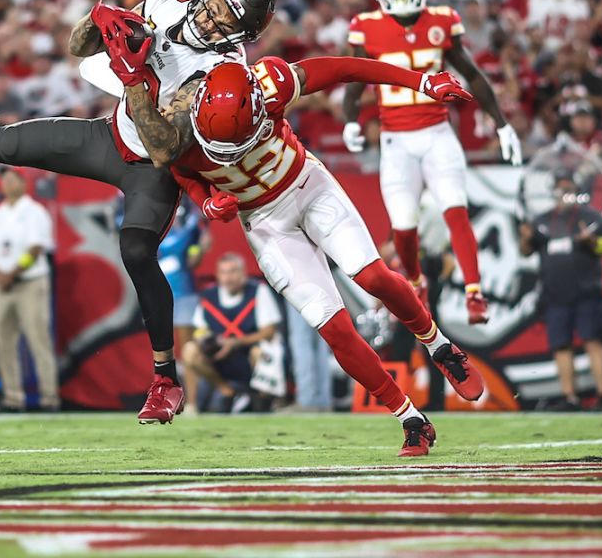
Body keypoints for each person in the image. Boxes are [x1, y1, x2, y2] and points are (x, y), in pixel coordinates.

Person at [0, 0, 276, 424]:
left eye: (227, 21)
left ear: (239, 36)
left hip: (155, 168)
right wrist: (100, 21)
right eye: (217, 5)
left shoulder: (221, 71)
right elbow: (79, 47)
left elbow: (163, 147)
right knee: (13, 144)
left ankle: (165, 379)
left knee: (135, 248)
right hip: (111, 136)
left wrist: (132, 77)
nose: (212, 20)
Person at [139, 52, 485, 456]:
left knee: (371, 276)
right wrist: (205, 203)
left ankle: (440, 345)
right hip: (264, 222)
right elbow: (182, 172)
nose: (230, 152)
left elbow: (347, 67)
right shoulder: (178, 126)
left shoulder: (271, 83)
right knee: (333, 328)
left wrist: (420, 82)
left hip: (306, 185)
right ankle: (410, 419)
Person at [341, 0, 523, 325]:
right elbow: (356, 76)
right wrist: (350, 120)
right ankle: (414, 281)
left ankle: (475, 293)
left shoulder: (441, 21)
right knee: (404, 228)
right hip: (396, 140)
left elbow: (472, 74)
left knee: (455, 209)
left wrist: (502, 124)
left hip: (437, 133)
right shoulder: (368, 28)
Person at [519, 171, 602, 411]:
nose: (564, 194)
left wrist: (591, 242)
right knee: (561, 346)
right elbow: (526, 251)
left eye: (568, 189)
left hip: (586, 291)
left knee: (594, 342)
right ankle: (569, 397)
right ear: (553, 192)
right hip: (555, 294)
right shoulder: (541, 220)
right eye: (560, 189)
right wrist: (526, 239)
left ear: (577, 192)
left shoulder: (591, 218)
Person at [0, 168, 57, 411]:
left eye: (12, 178)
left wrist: (10, 273)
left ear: (24, 182)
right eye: (4, 178)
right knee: (4, 343)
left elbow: (35, 249)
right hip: (1, 284)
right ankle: (12, 397)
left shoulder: (35, 212)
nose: (7, 182)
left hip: (30, 283)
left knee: (38, 340)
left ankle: (49, 397)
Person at [183, 253, 283, 413]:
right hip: (219, 358)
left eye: (233, 272)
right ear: (217, 275)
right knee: (189, 350)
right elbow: (199, 330)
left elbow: (269, 331)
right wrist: (210, 343)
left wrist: (234, 342)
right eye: (223, 272)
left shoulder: (258, 291)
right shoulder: (208, 296)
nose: (228, 278)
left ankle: (264, 402)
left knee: (261, 351)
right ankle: (217, 394)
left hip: (247, 355)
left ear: (243, 273)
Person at [160, 198, 210, 413]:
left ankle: (192, 403)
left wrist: (201, 247)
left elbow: (193, 260)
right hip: (159, 296)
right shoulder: (157, 234)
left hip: (184, 295)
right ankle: (164, 400)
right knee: (162, 353)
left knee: (187, 350)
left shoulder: (189, 229)